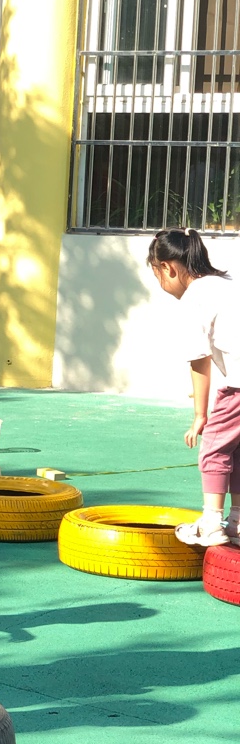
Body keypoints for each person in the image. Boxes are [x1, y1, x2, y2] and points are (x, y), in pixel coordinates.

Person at [149, 227, 239, 548]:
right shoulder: (226, 285)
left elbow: (199, 360)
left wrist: (200, 415)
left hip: (238, 386)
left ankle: (211, 524)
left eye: (157, 275)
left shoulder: (195, 296)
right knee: (236, 447)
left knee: (214, 447)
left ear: (168, 268)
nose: (160, 284)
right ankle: (237, 522)